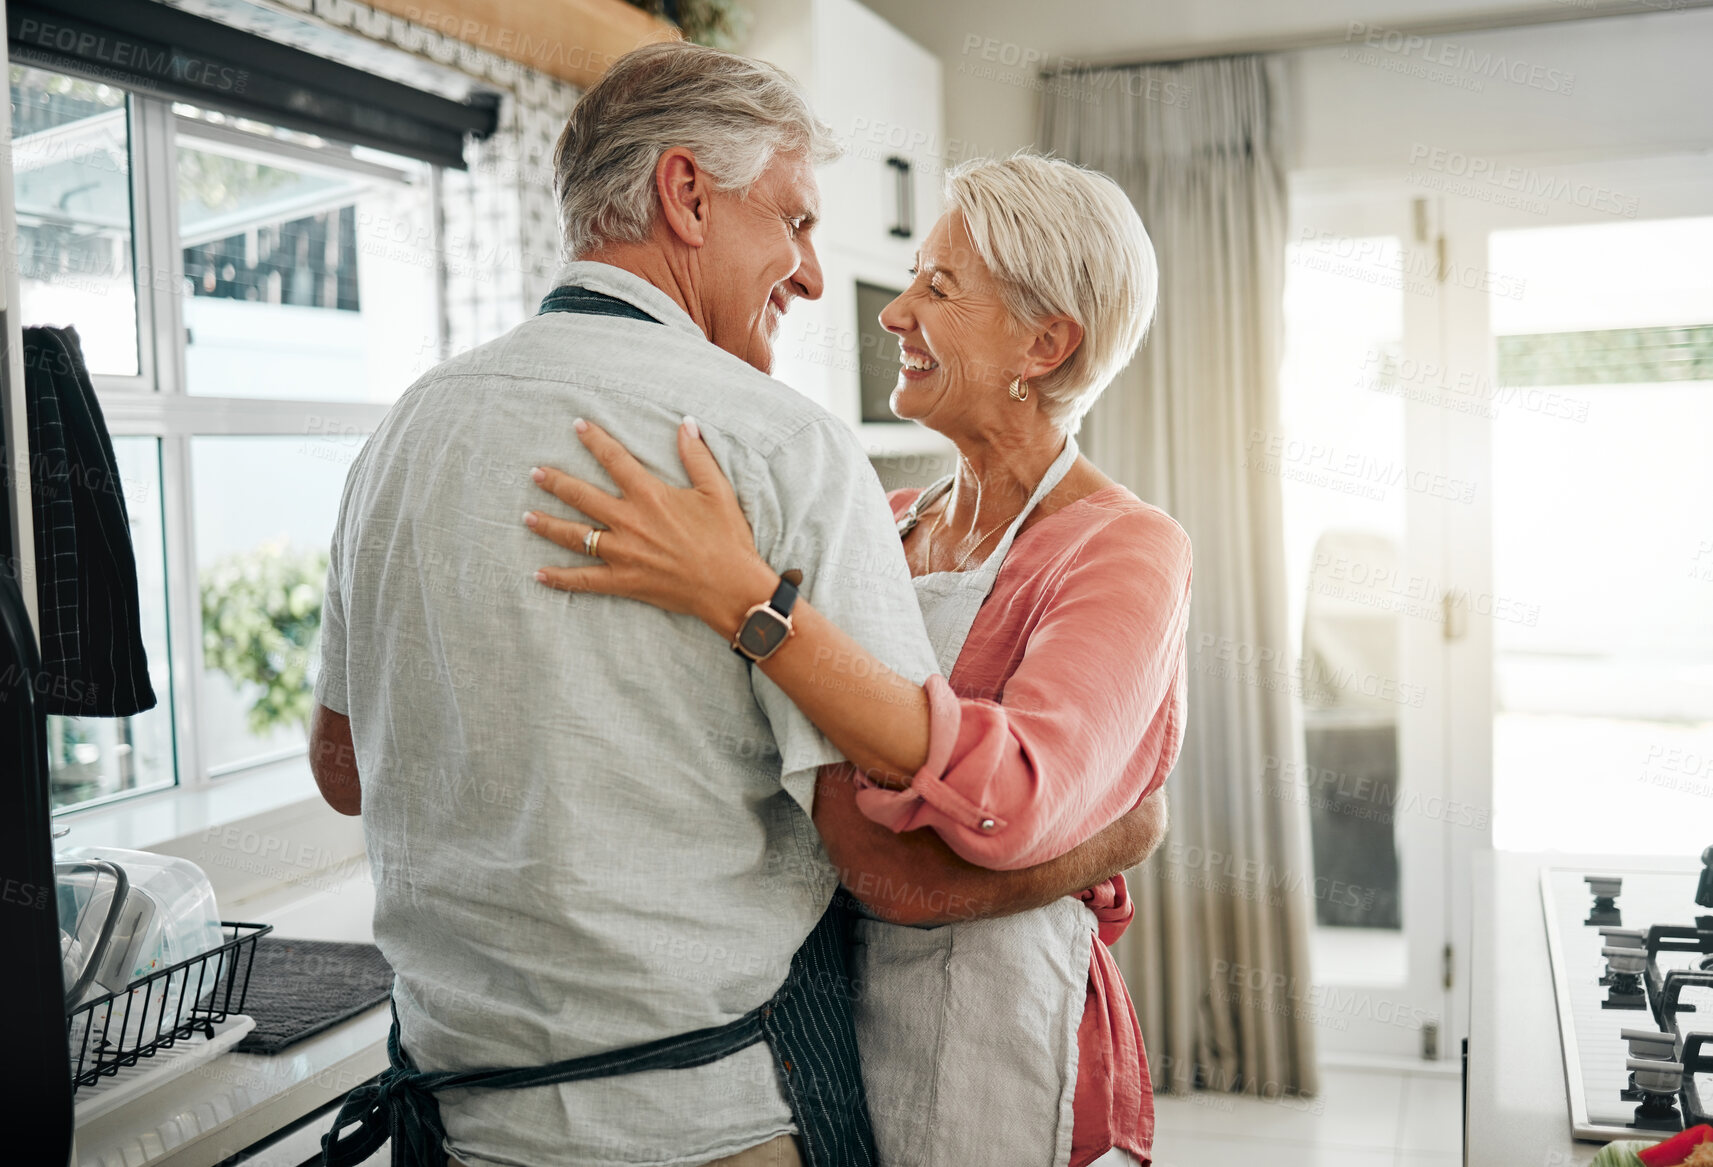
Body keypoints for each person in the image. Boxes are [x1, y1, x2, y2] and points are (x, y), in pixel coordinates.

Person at [308, 44, 1165, 1167]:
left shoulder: (404, 432)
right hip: (700, 1128)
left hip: (450, 1114)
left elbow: (345, 770)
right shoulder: (782, 447)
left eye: (936, 285)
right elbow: (891, 872)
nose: (819, 280)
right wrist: (1129, 830)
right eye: (798, 224)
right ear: (686, 194)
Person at [523, 153, 1190, 1167]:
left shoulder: (1127, 547)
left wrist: (746, 601)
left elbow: (1013, 797)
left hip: (1000, 1034)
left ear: (1044, 343)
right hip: (833, 1015)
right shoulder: (884, 526)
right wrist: (1112, 838)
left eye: (939, 286)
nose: (893, 310)